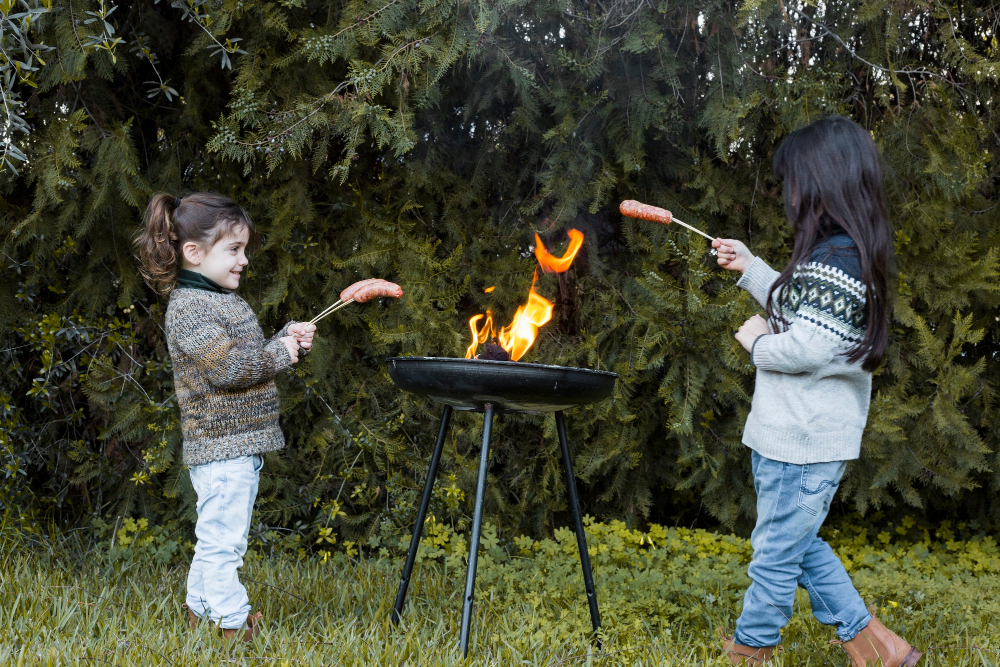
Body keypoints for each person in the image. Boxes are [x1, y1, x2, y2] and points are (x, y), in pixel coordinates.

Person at [134, 192, 401, 641]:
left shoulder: (216, 299)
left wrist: (284, 337)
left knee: (216, 535)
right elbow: (228, 369)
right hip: (222, 450)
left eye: (244, 249)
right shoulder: (189, 308)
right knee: (225, 542)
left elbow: (242, 356)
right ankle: (231, 623)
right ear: (193, 253)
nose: (243, 260)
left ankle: (201, 609)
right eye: (234, 250)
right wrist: (280, 352)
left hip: (235, 447)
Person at [711, 116, 920, 667]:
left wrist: (756, 344)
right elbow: (804, 312)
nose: (789, 193)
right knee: (794, 545)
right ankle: (877, 648)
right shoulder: (843, 257)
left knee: (775, 557)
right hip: (798, 442)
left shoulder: (839, 261)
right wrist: (752, 267)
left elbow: (805, 346)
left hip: (798, 445)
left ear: (824, 182)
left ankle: (751, 649)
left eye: (794, 180)